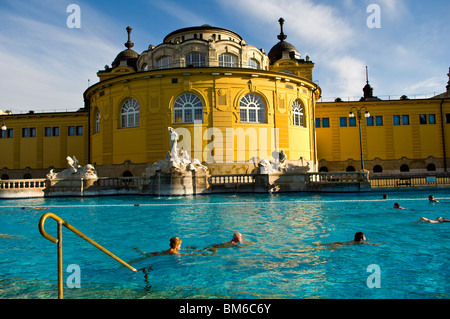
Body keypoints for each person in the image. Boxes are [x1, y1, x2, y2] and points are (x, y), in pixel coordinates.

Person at [318, 232, 387, 250]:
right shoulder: (361, 242)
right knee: (324, 250)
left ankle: (319, 244)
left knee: (333, 243)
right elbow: (373, 244)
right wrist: (382, 243)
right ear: (362, 238)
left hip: (342, 243)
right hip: (341, 246)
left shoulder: (352, 240)